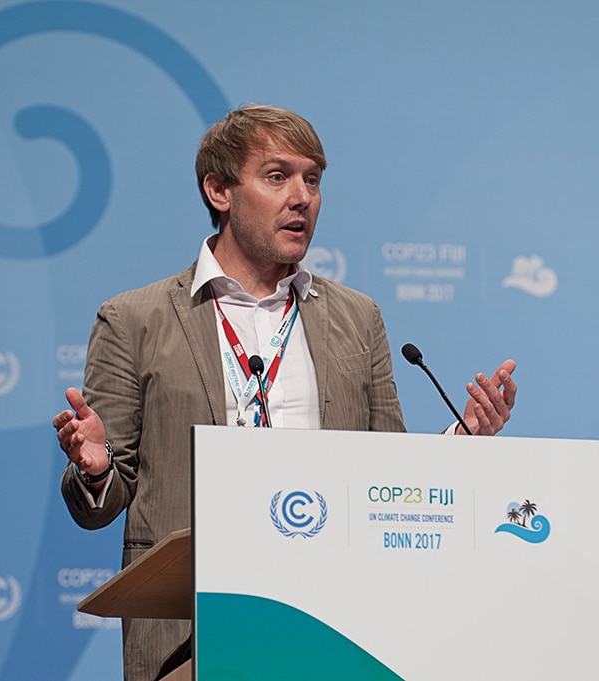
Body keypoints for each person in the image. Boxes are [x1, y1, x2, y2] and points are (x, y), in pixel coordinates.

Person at [52, 104, 518, 680]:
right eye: (277, 177)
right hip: (193, 638)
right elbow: (99, 506)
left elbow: (391, 476)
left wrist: (461, 439)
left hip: (334, 627)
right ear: (219, 190)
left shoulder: (358, 318)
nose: (302, 197)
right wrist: (97, 468)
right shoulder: (134, 320)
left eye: (312, 180)